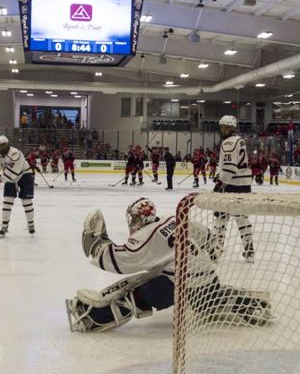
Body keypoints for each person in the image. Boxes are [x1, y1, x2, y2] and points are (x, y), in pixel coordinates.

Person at [65, 197, 270, 333]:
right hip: (207, 273)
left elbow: (119, 259)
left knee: (136, 296)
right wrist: (212, 250)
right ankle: (252, 304)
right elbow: (206, 235)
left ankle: (93, 318)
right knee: (205, 301)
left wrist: (96, 241)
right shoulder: (172, 219)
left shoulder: (145, 236)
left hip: (179, 282)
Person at [211, 115, 255, 260]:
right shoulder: (239, 140)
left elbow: (230, 168)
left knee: (220, 218)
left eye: (224, 127)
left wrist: (220, 182)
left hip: (231, 184)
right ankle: (249, 251)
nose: (222, 129)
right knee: (242, 218)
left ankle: (216, 250)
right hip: (244, 184)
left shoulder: (228, 142)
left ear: (230, 128)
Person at [0, 135, 35, 237]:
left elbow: (13, 173)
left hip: (24, 175)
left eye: (3, 146)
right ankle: (4, 226)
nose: (1, 148)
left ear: (8, 144)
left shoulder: (15, 153)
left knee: (27, 202)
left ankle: (31, 224)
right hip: (10, 178)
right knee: (7, 202)